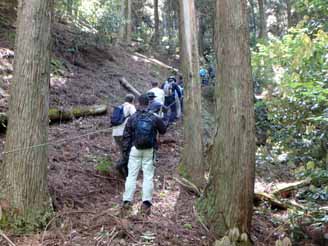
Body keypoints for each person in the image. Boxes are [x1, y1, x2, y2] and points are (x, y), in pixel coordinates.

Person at [121, 94, 167, 215]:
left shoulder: (133, 117)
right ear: (149, 103)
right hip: (149, 150)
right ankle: (146, 203)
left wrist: (125, 152)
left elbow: (126, 136)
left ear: (138, 103)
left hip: (135, 149)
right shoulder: (154, 117)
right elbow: (163, 130)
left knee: (131, 176)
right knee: (148, 176)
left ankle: (127, 201)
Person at [112, 94, 136, 176]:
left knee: (123, 152)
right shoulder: (130, 107)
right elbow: (135, 118)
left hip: (115, 133)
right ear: (132, 100)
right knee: (128, 152)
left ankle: (124, 172)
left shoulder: (119, 107)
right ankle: (120, 166)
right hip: (125, 133)